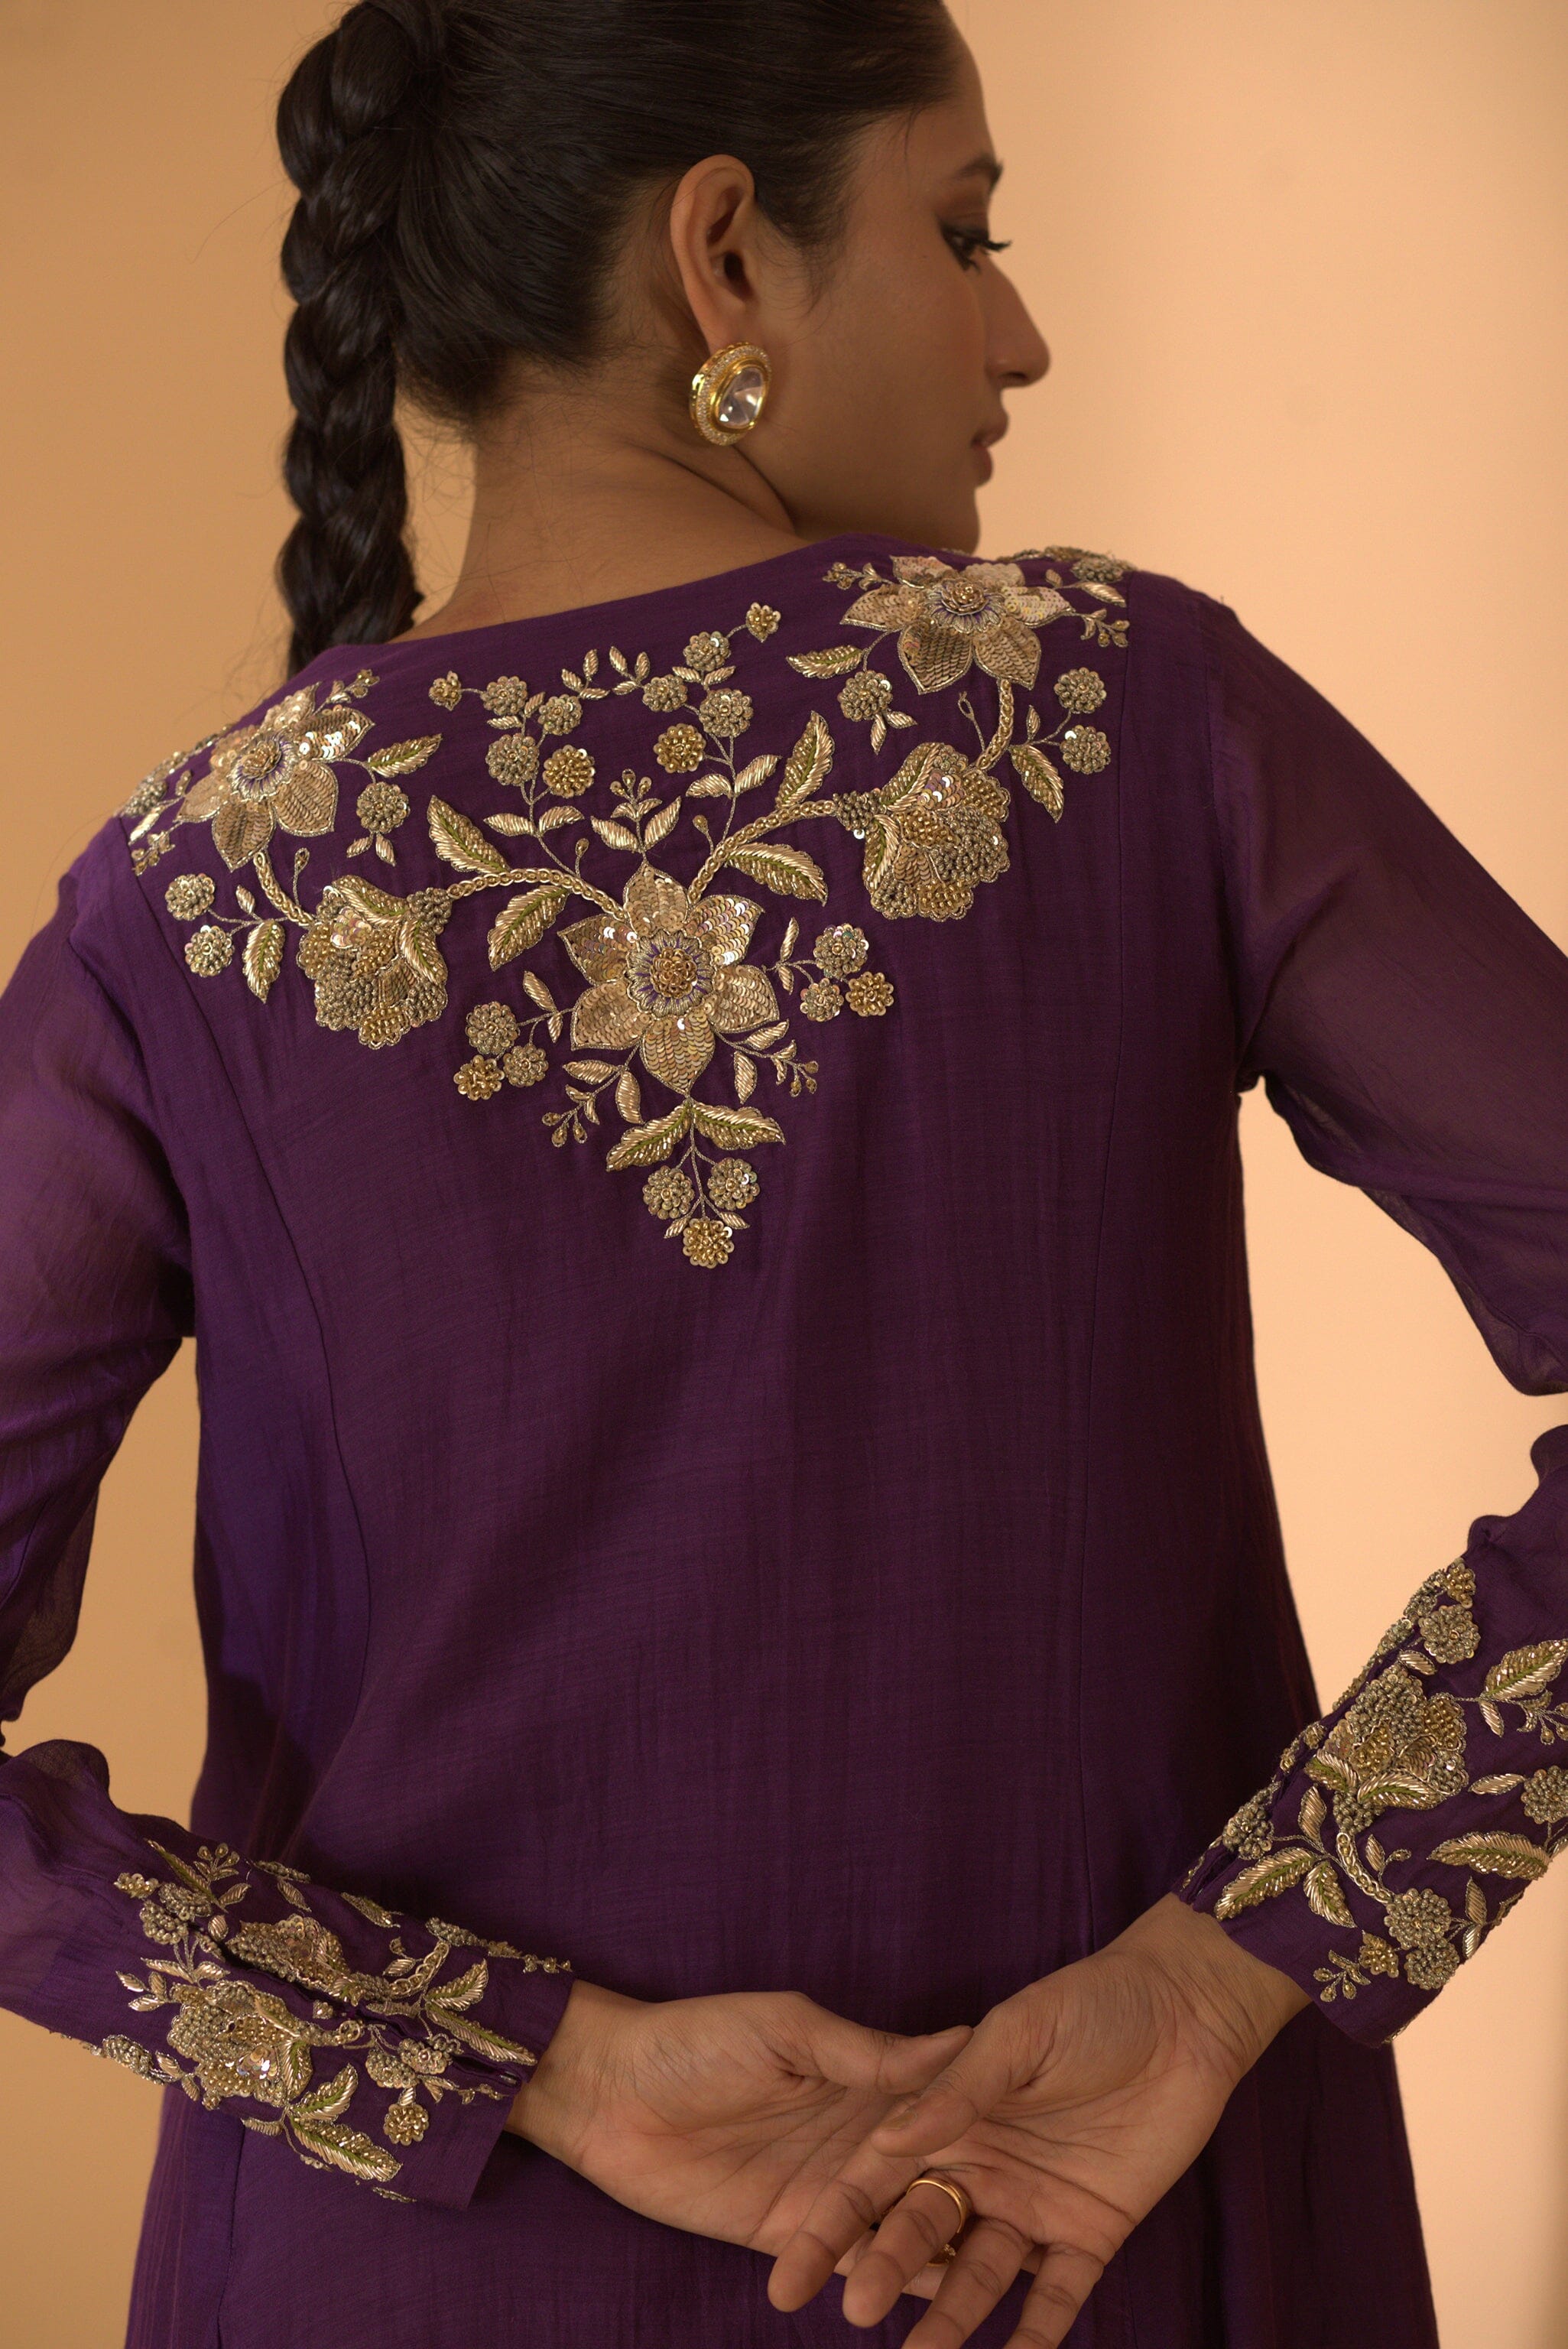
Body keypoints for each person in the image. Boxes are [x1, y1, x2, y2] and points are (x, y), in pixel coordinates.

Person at [1, 0, 1563, 2342]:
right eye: (965, 231)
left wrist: (498, 2062)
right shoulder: (1120, 715)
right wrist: (1243, 1962)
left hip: (413, 2271)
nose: (1016, 335)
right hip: (1094, 2232)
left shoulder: (191, 898)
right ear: (722, 255)